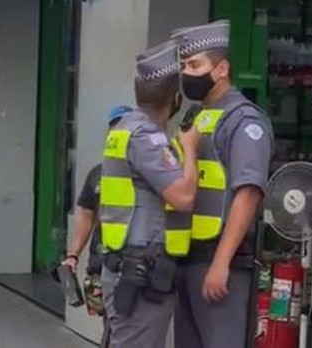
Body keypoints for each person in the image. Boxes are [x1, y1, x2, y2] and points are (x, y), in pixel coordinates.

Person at [169, 20, 274, 348]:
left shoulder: (244, 121)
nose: (188, 73)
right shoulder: (198, 116)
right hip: (188, 261)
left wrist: (221, 263)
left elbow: (248, 193)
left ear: (222, 69)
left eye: (196, 65)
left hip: (219, 263)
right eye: (184, 65)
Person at [99, 41, 201, 348]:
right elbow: (183, 197)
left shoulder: (124, 128)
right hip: (140, 269)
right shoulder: (147, 137)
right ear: (176, 98)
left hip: (126, 263)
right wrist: (192, 151)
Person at [61, 105, 132, 345]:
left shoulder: (146, 173)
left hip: (134, 265)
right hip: (101, 263)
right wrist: (72, 255)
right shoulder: (97, 175)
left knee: (122, 327)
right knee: (109, 322)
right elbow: (86, 216)